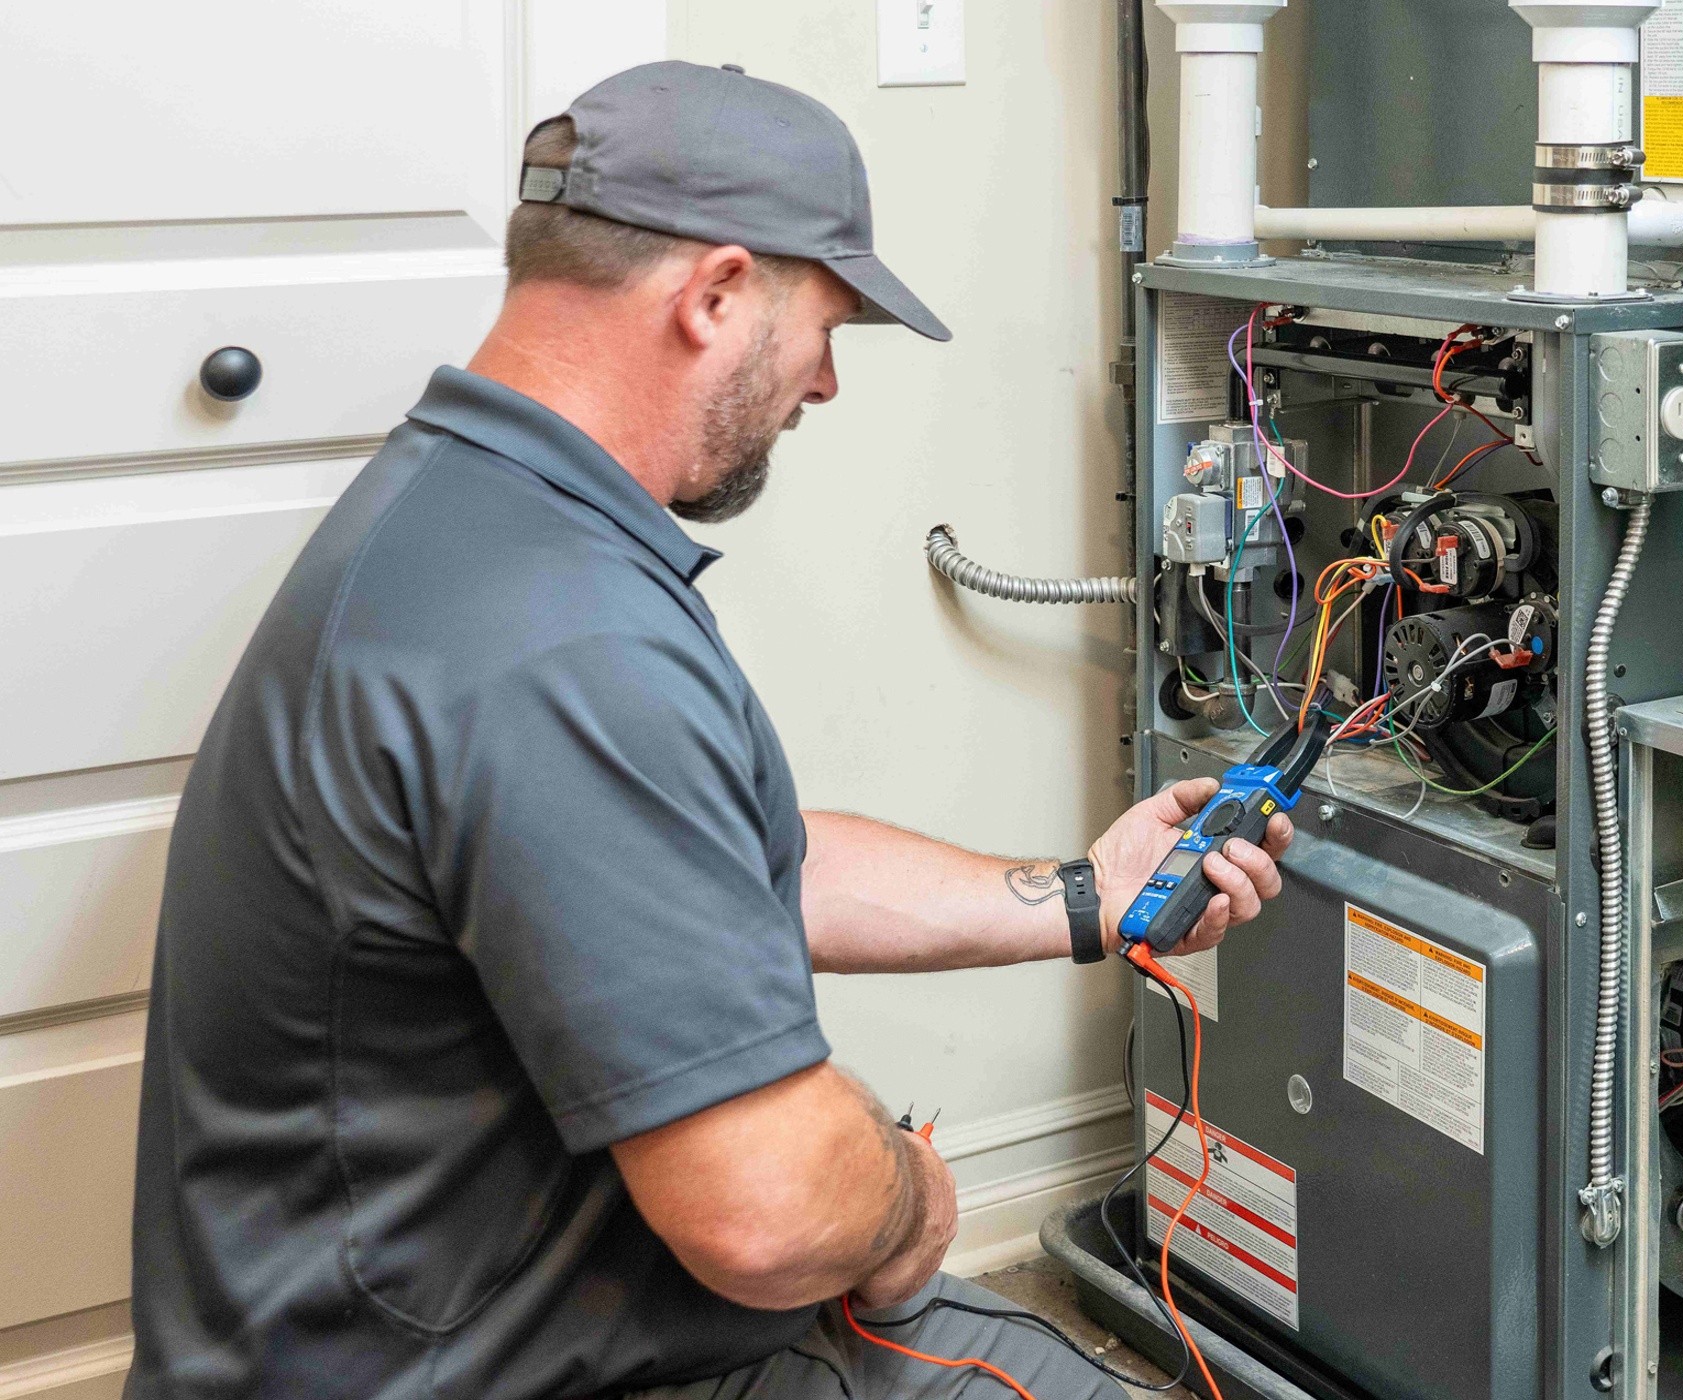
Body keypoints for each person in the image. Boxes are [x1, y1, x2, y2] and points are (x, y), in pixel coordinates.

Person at [123, 61, 1291, 1400]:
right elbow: (773, 1215)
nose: (827, 386)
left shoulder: (467, 516)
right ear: (718, 293)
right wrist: (907, 1191)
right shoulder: (561, 643)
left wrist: (1088, 895)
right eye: (828, 327)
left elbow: (730, 873)